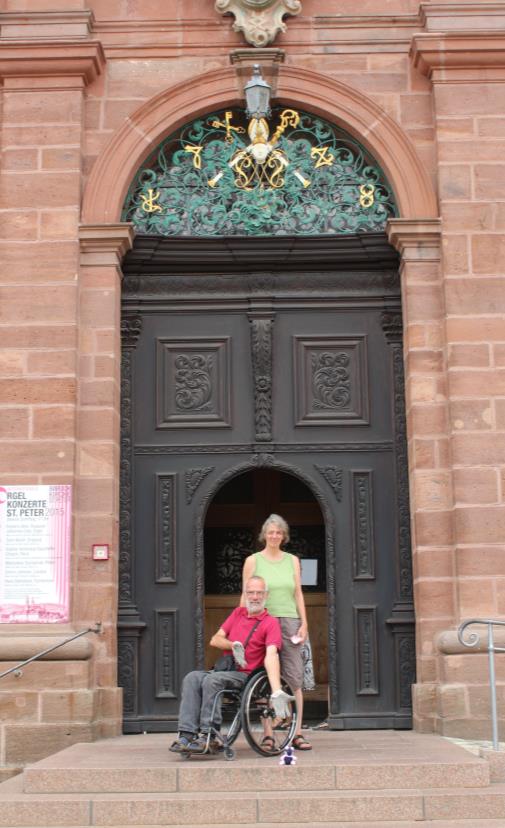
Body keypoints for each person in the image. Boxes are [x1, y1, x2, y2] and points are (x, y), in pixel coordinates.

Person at [170, 575, 292, 753]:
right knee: (192, 678)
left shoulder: (270, 622)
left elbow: (271, 654)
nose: (255, 597)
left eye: (259, 593)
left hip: (248, 676)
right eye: (251, 592)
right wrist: (233, 645)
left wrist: (276, 690)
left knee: (212, 681)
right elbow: (215, 639)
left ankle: (209, 735)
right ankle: (186, 734)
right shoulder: (237, 614)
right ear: (245, 594)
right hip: (226, 670)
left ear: (266, 596)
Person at [242, 514, 312, 750]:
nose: (274, 536)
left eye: (279, 532)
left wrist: (305, 622)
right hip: (262, 621)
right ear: (264, 535)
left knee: (294, 677)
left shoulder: (292, 560)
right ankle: (268, 733)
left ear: (284, 536)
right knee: (262, 676)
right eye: (271, 532)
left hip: (290, 620)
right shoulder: (253, 561)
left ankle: (298, 732)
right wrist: (243, 623)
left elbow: (298, 593)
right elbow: (246, 594)